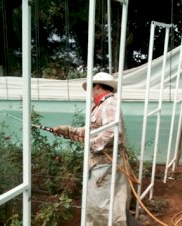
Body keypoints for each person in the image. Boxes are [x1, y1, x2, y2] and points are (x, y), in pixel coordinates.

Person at [52, 72, 135, 226]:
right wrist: (67, 130)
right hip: (104, 164)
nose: (90, 92)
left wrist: (92, 144)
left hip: (106, 164)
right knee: (108, 203)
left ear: (97, 86)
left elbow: (112, 130)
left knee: (101, 205)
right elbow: (91, 131)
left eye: (91, 87)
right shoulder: (101, 105)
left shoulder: (109, 104)